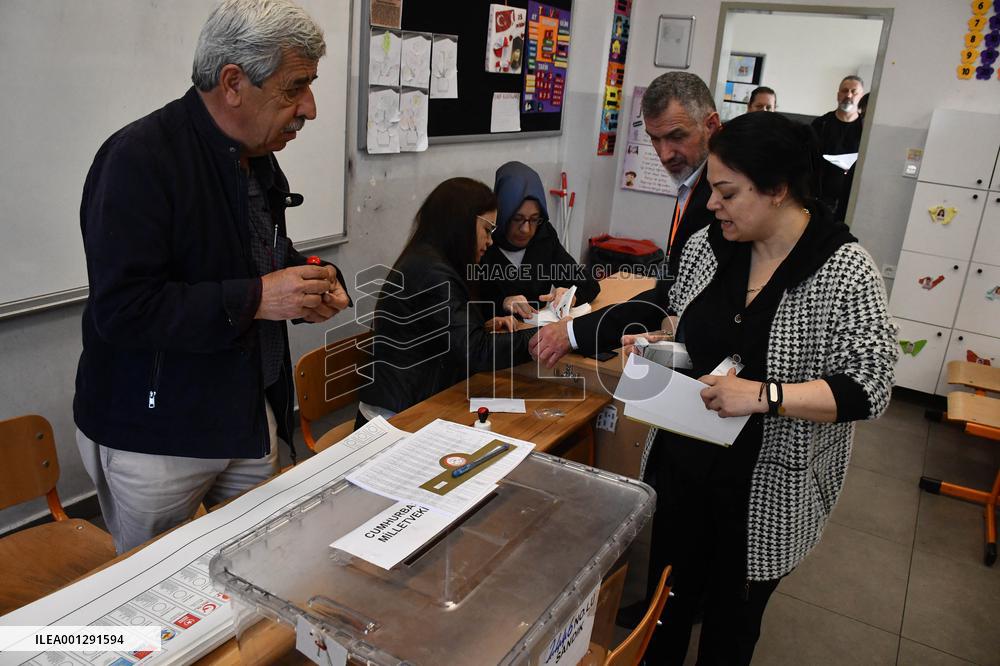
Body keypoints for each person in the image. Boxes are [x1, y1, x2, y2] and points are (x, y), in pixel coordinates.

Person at [531, 111, 897, 664]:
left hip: (763, 488)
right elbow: (687, 321)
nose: (712, 204)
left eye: (727, 193)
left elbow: (870, 386)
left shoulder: (843, 270)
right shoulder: (711, 246)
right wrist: (658, 343)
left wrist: (764, 395)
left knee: (730, 628)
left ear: (777, 189)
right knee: (666, 611)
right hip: (683, 469)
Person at [74, 0, 351, 554]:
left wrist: (315, 278)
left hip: (246, 413)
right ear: (232, 83)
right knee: (156, 589)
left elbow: (258, 252)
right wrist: (258, 298)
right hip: (158, 438)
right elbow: (125, 310)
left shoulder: (254, 155)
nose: (310, 109)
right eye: (295, 88)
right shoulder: (137, 159)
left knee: (265, 565)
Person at [356, 178, 536, 425]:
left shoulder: (429, 259)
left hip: (413, 398)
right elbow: (475, 352)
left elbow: (445, 334)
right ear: (462, 224)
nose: (490, 241)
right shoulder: (432, 272)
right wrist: (543, 337)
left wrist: (480, 329)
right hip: (395, 418)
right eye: (487, 230)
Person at [474, 161, 600, 319]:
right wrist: (503, 303)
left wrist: (570, 295)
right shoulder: (484, 242)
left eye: (534, 219)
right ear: (503, 214)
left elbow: (588, 284)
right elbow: (467, 305)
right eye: (517, 219)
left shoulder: (543, 237)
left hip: (540, 329)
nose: (526, 229)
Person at [812, 75, 865, 214]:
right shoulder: (821, 124)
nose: (848, 95)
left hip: (851, 200)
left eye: (854, 92)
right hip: (820, 197)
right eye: (844, 90)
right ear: (838, 95)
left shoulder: (866, 128)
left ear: (861, 97)